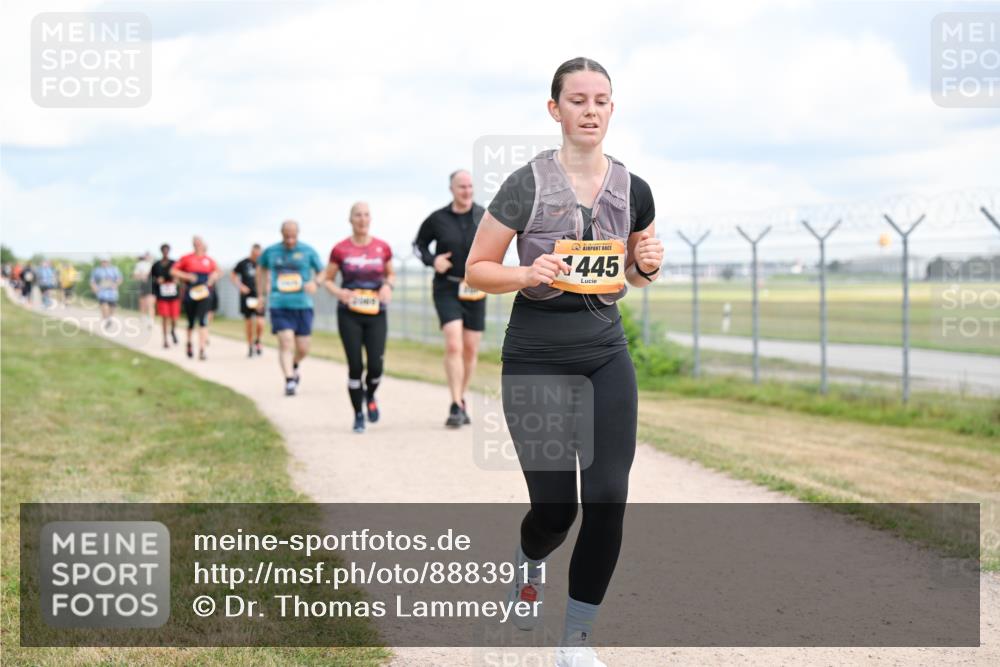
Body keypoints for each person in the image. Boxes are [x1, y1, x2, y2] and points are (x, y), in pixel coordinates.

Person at [464, 57, 663, 667]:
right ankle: (529, 564)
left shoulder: (635, 189)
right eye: (578, 100)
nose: (591, 110)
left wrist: (646, 265)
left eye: (602, 99)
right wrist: (527, 271)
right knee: (557, 508)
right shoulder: (526, 184)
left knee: (607, 496)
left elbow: (633, 273)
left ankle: (576, 641)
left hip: (605, 350)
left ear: (612, 108)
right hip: (536, 354)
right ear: (555, 110)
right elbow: (477, 270)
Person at [413, 169, 487, 427]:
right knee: (454, 344)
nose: (466, 191)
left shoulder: (483, 215)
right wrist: (433, 260)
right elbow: (418, 245)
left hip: (476, 288)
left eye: (469, 186)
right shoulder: (437, 218)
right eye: (461, 187)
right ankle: (455, 404)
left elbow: (499, 244)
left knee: (470, 348)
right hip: (447, 287)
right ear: (451, 189)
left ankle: (462, 395)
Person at [324, 202, 394, 433]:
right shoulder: (340, 249)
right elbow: (327, 279)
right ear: (350, 219)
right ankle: (358, 415)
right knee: (355, 366)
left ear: (370, 219)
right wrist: (339, 292)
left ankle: (370, 395)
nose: (362, 219)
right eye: (358, 215)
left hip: (376, 313)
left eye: (366, 215)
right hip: (349, 314)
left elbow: (390, 274)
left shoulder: (382, 247)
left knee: (375, 366)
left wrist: (387, 287)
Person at [256, 220, 325, 396]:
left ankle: (294, 365)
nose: (290, 240)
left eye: (293, 236)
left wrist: (315, 282)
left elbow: (323, 272)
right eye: (286, 236)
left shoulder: (308, 251)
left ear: (298, 233)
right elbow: (260, 269)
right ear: (281, 233)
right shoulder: (271, 252)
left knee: (303, 348)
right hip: (279, 303)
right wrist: (261, 295)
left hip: (302, 304)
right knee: (286, 340)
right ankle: (289, 381)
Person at [171, 236, 220, 360]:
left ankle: (202, 349)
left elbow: (218, 271)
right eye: (196, 243)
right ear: (193, 244)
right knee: (191, 321)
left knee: (203, 320)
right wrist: (187, 276)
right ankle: (189, 343)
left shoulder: (209, 260)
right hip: (191, 293)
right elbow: (173, 271)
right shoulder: (186, 258)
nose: (198, 245)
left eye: (200, 243)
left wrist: (213, 276)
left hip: (204, 292)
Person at [231, 244, 264, 357]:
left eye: (258, 254)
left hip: (259, 295)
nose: (257, 256)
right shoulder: (243, 263)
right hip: (247, 296)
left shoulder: (263, 264)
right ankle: (250, 345)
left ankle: (258, 340)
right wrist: (240, 287)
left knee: (260, 322)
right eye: (255, 253)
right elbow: (233, 275)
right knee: (249, 322)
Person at [151, 244, 180, 348]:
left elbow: (179, 275)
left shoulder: (174, 263)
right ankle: (165, 340)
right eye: (164, 250)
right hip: (162, 295)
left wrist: (176, 280)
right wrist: (157, 281)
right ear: (161, 251)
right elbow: (151, 279)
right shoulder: (156, 265)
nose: (165, 252)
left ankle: (172, 330)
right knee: (164, 318)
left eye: (167, 250)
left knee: (174, 318)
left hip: (173, 294)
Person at [89, 257, 122, 328]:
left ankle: (108, 318)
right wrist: (94, 287)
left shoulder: (114, 269)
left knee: (112, 307)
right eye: (103, 261)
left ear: (109, 262)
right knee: (104, 305)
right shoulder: (97, 270)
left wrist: (116, 284)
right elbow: (92, 280)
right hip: (102, 292)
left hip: (112, 292)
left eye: (106, 261)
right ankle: (107, 320)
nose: (104, 263)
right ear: (101, 262)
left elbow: (120, 278)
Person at [133, 251, 155, 328]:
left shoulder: (153, 264)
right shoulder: (139, 265)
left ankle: (151, 321)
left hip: (151, 285)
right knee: (143, 304)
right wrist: (142, 276)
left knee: (150, 303)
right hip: (142, 285)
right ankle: (143, 318)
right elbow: (135, 275)